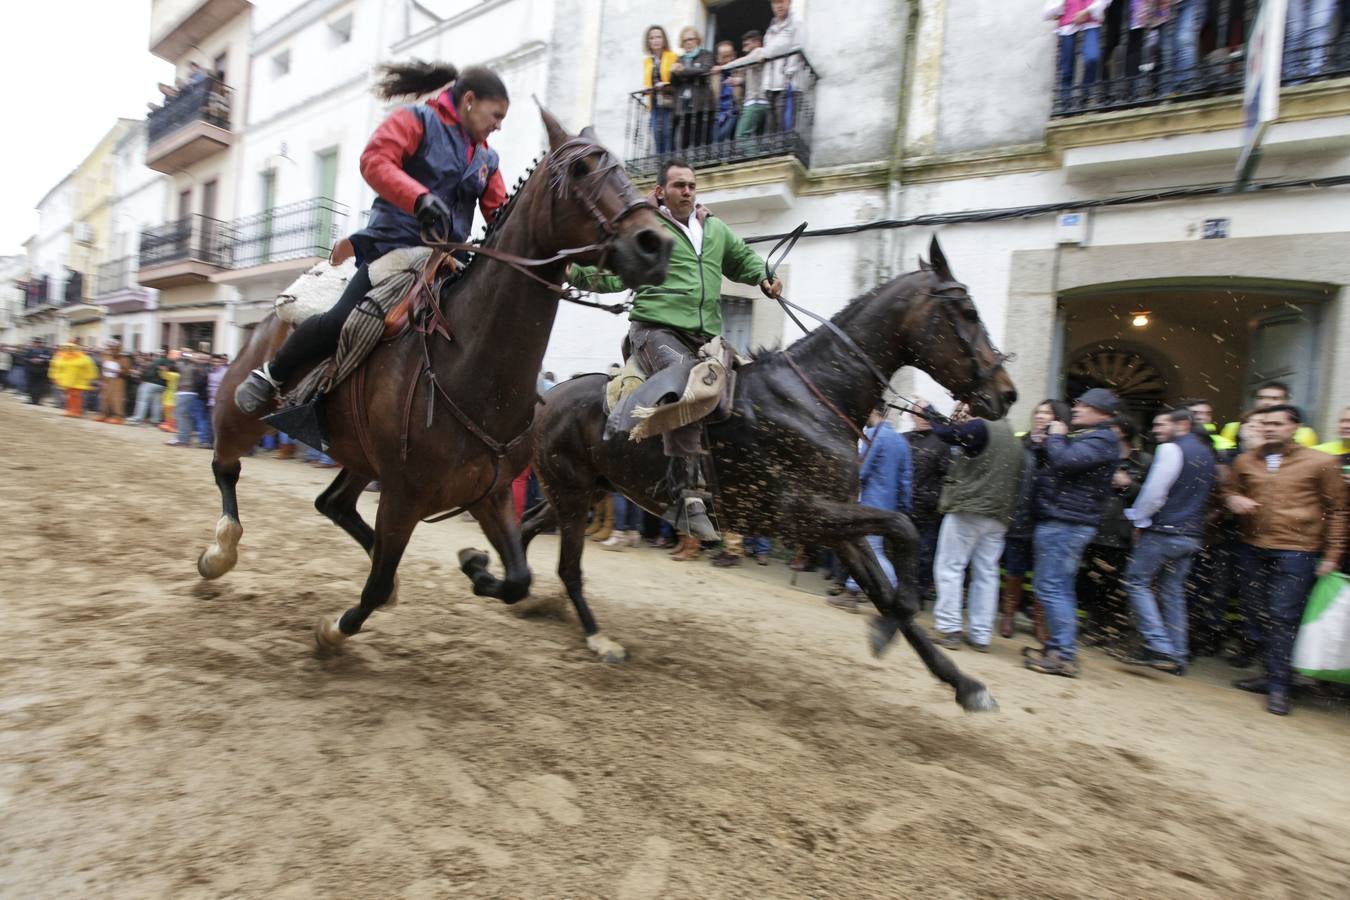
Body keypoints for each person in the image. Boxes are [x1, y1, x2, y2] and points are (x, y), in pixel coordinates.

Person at [236, 62, 509, 414]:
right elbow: (375, 160)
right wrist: (419, 198)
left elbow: (498, 213)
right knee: (340, 320)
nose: (499, 125)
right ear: (469, 100)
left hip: (448, 259)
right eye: (496, 114)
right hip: (393, 247)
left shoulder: (488, 158)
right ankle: (271, 374)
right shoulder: (416, 120)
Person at [568, 159, 781, 546]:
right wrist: (573, 271)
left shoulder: (715, 229)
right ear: (661, 191)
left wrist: (764, 275)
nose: (687, 191)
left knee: (752, 387)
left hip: (707, 337)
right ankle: (684, 493)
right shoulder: (652, 229)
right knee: (690, 381)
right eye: (679, 185)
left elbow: (742, 260)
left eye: (692, 185)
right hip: (656, 330)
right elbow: (618, 272)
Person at [1226, 404, 1346, 715]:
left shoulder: (1321, 462)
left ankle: (1280, 686)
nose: (1269, 428)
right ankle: (1270, 674)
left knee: (1283, 617)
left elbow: (1338, 510)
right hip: (1252, 547)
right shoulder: (1245, 460)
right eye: (1265, 423)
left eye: (1277, 424)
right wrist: (1233, 499)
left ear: (1294, 428)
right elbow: (1228, 491)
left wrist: (1333, 554)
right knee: (1258, 613)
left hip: (1297, 550)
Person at [1024, 387, 1122, 677]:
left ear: (1100, 411)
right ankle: (1057, 647)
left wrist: (1056, 436)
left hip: (1067, 522)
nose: (1075, 408)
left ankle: (1063, 654)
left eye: (1082, 405)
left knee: (1051, 587)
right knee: (1057, 587)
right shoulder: (1095, 437)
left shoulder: (1103, 439)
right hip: (1065, 519)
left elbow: (1066, 461)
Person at [1121, 408, 1217, 674]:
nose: (1156, 430)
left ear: (1182, 424)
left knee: (1135, 581)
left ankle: (1159, 646)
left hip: (1165, 531)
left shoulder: (1172, 449)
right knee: (1172, 592)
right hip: (1191, 534)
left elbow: (1155, 493)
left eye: (1163, 423)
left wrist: (1138, 519)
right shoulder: (1207, 453)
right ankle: (1178, 654)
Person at [928, 405, 1025, 651]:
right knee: (987, 574)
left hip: (968, 508)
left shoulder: (982, 426)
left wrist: (929, 412)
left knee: (950, 567)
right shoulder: (1012, 436)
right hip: (998, 515)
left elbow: (948, 434)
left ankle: (949, 629)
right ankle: (981, 635)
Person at [827, 402, 913, 613]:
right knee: (869, 549)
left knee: (871, 552)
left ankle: (893, 593)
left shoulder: (874, 435)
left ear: (874, 412)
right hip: (889, 504)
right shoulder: (901, 441)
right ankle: (853, 592)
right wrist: (904, 506)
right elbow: (905, 480)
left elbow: (862, 470)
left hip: (870, 502)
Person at [1076, 416, 1151, 650]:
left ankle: (1113, 631)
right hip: (1095, 526)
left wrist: (1127, 484)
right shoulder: (1101, 458)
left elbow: (1151, 497)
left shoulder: (1144, 461)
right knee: (1091, 581)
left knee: (1115, 585)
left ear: (1122, 431)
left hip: (1122, 532)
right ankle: (1093, 626)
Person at [999, 399, 1070, 640]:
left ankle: (1040, 621)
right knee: (1013, 570)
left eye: (1047, 413)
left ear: (1058, 418)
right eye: (1038, 412)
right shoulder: (1023, 443)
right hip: (1020, 517)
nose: (1040, 416)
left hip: (1048, 519)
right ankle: (1008, 615)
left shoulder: (1063, 447)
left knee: (1043, 575)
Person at [904, 400, 951, 607]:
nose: (922, 417)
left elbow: (947, 475)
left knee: (924, 553)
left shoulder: (942, 441)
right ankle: (904, 590)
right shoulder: (904, 439)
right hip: (906, 505)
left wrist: (934, 497)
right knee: (905, 551)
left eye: (926, 413)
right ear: (912, 416)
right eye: (918, 413)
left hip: (929, 508)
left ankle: (919, 594)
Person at [1219, 382, 1318, 449]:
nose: (1266, 402)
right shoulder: (1233, 427)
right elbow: (1224, 456)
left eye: (1275, 398)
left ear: (1286, 402)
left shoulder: (1304, 432)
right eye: (1261, 398)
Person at [1045, 1, 1112, 95]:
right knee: (1066, 70)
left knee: (1092, 58)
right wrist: (1058, 9)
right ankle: (1065, 105)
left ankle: (1084, 96)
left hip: (1091, 21)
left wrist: (1087, 11)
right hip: (1067, 25)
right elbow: (1048, 11)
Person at [763, 0, 806, 134]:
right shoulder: (770, 29)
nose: (778, 6)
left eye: (782, 1)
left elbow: (798, 49)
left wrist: (789, 73)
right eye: (775, 2)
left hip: (788, 84)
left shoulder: (796, 23)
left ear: (789, 3)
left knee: (784, 126)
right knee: (771, 126)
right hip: (770, 84)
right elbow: (766, 53)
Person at [670, 27, 715, 151]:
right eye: (685, 40)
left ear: (697, 40)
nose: (688, 42)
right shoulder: (679, 59)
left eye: (690, 39)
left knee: (701, 140)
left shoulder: (706, 54)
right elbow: (674, 83)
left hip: (702, 105)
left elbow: (704, 70)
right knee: (684, 141)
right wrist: (674, 73)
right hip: (685, 106)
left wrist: (683, 70)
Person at [722, 30, 768, 143]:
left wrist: (723, 67)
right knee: (757, 139)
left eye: (747, 45)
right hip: (758, 101)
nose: (744, 49)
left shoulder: (759, 51)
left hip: (755, 101)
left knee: (741, 137)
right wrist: (738, 81)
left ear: (757, 43)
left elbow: (743, 61)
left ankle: (757, 159)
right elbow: (751, 77)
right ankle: (758, 156)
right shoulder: (754, 58)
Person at [642, 26, 679, 157]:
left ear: (664, 40)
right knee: (657, 134)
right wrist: (647, 89)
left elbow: (678, 79)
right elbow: (648, 81)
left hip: (669, 101)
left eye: (658, 37)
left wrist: (666, 83)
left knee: (667, 133)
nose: (655, 40)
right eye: (652, 37)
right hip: (654, 103)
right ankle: (660, 164)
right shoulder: (647, 61)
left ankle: (668, 163)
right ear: (648, 42)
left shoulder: (672, 56)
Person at [48, 342, 97, 418]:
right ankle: (69, 410)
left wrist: (90, 378)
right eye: (67, 348)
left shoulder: (84, 358)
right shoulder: (61, 357)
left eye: (70, 348)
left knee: (76, 396)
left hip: (79, 381)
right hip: (66, 381)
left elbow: (90, 369)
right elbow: (56, 367)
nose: (69, 350)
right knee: (69, 396)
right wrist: (54, 376)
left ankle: (76, 411)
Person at [710, 40, 741, 145]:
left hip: (734, 112)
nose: (728, 60)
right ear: (718, 59)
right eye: (724, 57)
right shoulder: (714, 75)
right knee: (715, 143)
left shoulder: (742, 70)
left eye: (730, 56)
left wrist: (738, 81)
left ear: (735, 55)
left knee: (722, 137)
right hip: (718, 115)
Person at [95, 348, 126, 424]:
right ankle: (104, 414)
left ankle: (118, 416)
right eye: (112, 349)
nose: (113, 351)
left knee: (116, 399)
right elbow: (103, 369)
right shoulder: (107, 357)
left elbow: (126, 371)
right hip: (107, 380)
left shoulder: (124, 359)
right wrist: (101, 380)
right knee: (104, 398)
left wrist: (118, 371)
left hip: (118, 381)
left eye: (115, 349)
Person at [23, 338, 52, 405]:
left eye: (39, 343)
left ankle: (38, 400)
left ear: (41, 343)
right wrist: (31, 360)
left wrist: (42, 360)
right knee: (31, 385)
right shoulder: (29, 350)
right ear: (33, 343)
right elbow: (24, 358)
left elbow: (49, 358)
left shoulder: (46, 351)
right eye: (36, 342)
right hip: (31, 370)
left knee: (40, 386)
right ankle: (32, 400)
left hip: (41, 371)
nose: (37, 344)